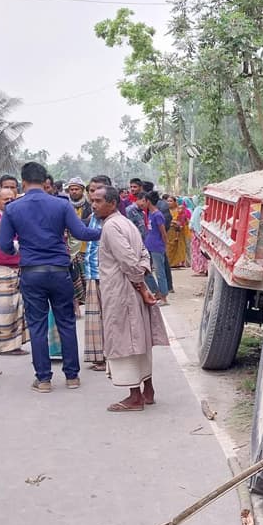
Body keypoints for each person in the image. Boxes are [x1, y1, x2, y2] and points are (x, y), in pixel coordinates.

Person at [0, 162, 101, 393]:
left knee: (37, 326)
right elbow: (81, 233)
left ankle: (43, 379)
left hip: (32, 272)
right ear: (46, 182)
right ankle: (72, 376)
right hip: (59, 271)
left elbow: (4, 245)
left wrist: (19, 249)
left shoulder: (13, 208)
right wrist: (108, 229)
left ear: (22, 182)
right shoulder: (61, 205)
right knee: (66, 321)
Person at [91, 185, 168, 411]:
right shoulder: (126, 222)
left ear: (112, 203)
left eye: (98, 201)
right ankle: (148, 390)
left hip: (122, 291)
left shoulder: (112, 226)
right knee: (139, 339)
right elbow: (143, 255)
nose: (93, 205)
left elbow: (127, 260)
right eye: (92, 200)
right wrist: (141, 278)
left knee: (125, 342)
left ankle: (135, 396)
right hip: (132, 288)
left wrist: (139, 284)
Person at [0, 187, 29, 356]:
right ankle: (3, 346)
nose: (10, 202)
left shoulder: (11, 218)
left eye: (12, 199)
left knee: (15, 309)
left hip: (16, 269)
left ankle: (14, 344)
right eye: (6, 200)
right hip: (2, 270)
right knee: (3, 311)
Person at [83, 175, 110, 373]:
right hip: (92, 271)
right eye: (91, 192)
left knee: (107, 316)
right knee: (95, 317)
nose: (94, 198)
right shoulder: (93, 216)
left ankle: (109, 355)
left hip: (106, 274)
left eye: (98, 191)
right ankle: (99, 356)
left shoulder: (111, 218)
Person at [65, 177, 92, 310]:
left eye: (77, 189)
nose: (74, 192)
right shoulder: (64, 206)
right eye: (72, 189)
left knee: (88, 278)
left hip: (87, 248)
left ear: (82, 190)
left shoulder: (90, 206)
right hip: (71, 249)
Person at [144, 192, 170, 305]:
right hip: (149, 245)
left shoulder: (158, 215)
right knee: (146, 270)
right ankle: (156, 291)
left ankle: (164, 297)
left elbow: (163, 233)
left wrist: (165, 246)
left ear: (148, 201)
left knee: (160, 272)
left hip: (157, 247)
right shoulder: (150, 213)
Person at [165, 195, 191, 268]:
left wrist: (178, 223)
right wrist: (172, 222)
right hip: (169, 231)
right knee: (169, 246)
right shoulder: (165, 210)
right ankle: (169, 262)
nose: (169, 203)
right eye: (168, 201)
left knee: (179, 246)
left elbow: (183, 220)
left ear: (174, 202)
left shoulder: (179, 210)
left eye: (171, 201)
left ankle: (178, 263)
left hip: (178, 231)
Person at [190, 201, 208, 277]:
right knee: (203, 253)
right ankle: (204, 269)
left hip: (197, 235)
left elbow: (191, 225)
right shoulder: (204, 211)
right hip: (204, 235)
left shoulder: (197, 210)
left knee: (198, 253)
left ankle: (201, 269)